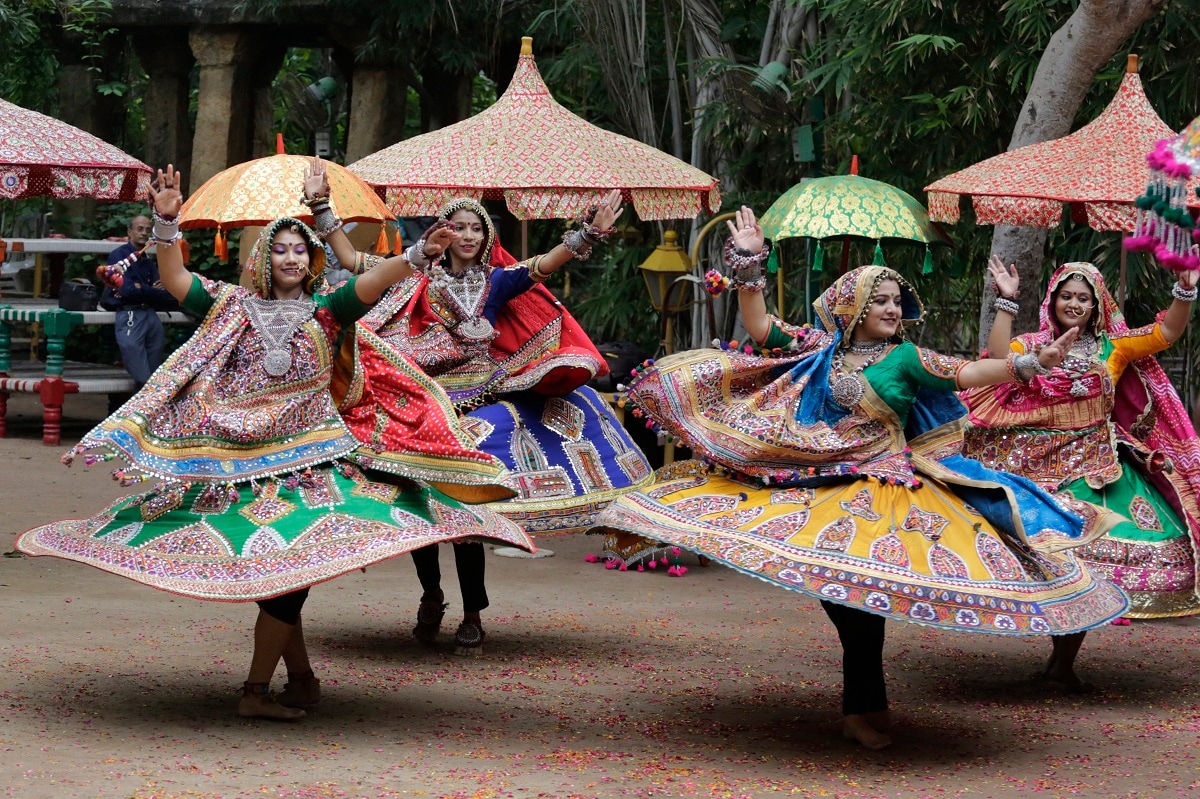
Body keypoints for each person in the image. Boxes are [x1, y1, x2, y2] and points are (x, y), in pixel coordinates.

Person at [593, 207, 1128, 750]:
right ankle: (864, 707)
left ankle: (863, 707)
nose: (894, 309)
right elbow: (759, 326)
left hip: (882, 489)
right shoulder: (818, 348)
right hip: (818, 482)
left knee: (862, 604)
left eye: (897, 301)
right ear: (853, 308)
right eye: (882, 300)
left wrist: (1029, 364)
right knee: (852, 606)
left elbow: (966, 371)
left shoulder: (907, 358)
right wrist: (751, 262)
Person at [16, 165, 534, 721]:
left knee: (288, 582)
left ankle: (302, 680)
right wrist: (167, 223)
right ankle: (255, 694)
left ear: (311, 261)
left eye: (299, 250)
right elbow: (174, 280)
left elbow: (373, 282)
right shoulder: (229, 306)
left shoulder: (326, 312)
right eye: (280, 250)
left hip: (310, 468)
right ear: (265, 259)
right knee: (285, 587)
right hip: (238, 470)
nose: (290, 258)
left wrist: (413, 257)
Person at [305, 161, 652, 655]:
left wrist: (588, 233)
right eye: (458, 226)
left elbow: (546, 264)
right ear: (441, 232)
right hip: (421, 407)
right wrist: (321, 205)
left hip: (480, 408)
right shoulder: (413, 273)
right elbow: (350, 257)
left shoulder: (498, 281)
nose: (466, 234)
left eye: (476, 227)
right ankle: (431, 595)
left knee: (466, 518)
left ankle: (472, 614)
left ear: (487, 236)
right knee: (421, 508)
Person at [962, 260, 1200, 631]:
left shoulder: (1115, 348)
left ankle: (1066, 658)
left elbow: (1167, 332)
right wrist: (1006, 300)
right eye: (1066, 296)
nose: (1073, 304)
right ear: (1053, 300)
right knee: (1047, 547)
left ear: (1096, 306)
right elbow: (997, 360)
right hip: (1037, 462)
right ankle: (1059, 651)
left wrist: (1184, 291)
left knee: (1120, 545)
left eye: (1083, 298)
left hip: (1098, 466)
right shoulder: (1032, 345)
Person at [99, 214, 179, 410]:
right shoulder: (118, 256)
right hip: (130, 316)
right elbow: (126, 291)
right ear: (130, 231)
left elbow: (168, 297)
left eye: (147, 229)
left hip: (150, 317)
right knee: (142, 377)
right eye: (140, 229)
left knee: (153, 377)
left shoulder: (148, 261)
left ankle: (143, 420)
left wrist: (141, 288)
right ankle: (133, 417)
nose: (144, 233)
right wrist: (150, 289)